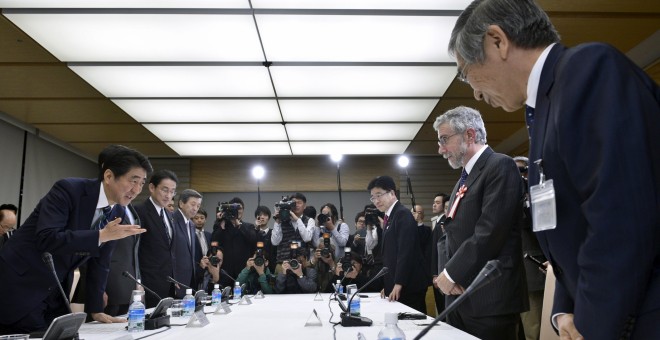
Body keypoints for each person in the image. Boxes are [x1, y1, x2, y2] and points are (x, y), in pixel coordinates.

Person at [449, 1, 660, 338]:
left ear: (497, 41)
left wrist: (591, 325)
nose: (474, 90)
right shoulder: (545, 105)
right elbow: (566, 228)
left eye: (466, 71)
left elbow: (620, 220)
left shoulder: (588, 70)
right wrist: (564, 309)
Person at [0, 145, 151, 334]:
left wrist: (95, 309)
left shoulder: (118, 210)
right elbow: (47, 238)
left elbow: (101, 260)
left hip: (56, 287)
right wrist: (100, 235)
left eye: (142, 183)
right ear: (109, 176)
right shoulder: (69, 189)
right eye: (133, 181)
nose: (137, 190)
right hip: (22, 280)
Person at [433, 106, 528, 340]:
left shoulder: (500, 166)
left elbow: (490, 231)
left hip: (490, 297)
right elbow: (449, 231)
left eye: (444, 139)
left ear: (469, 135)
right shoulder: (463, 179)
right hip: (459, 296)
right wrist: (445, 276)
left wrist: (452, 273)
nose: (440, 149)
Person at [368, 175, 427, 314]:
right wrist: (388, 285)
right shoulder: (390, 216)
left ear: (392, 193)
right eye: (372, 197)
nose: (376, 201)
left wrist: (399, 283)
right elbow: (390, 254)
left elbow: (405, 252)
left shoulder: (402, 214)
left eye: (379, 195)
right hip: (397, 284)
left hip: (408, 286)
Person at [134, 169, 179, 308]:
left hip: (168, 282)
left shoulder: (169, 215)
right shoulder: (139, 211)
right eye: (165, 190)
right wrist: (138, 281)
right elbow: (135, 250)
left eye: (172, 191)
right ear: (152, 187)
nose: (168, 195)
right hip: (148, 283)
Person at [514, 156, 546, 340]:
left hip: (533, 270)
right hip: (513, 276)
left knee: (536, 328)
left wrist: (526, 196)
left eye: (522, 171)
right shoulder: (505, 196)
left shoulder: (539, 194)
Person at [211, 197, 257, 284]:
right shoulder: (222, 225)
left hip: (244, 270)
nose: (238, 211)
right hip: (225, 271)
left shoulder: (248, 226)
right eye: (234, 209)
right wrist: (220, 222)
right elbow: (214, 241)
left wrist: (238, 224)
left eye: (240, 208)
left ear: (243, 210)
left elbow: (253, 240)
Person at [271, 193, 315, 272]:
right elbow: (275, 242)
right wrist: (277, 221)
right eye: (294, 203)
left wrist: (297, 219)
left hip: (301, 264)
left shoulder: (309, 221)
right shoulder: (282, 220)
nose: (296, 205)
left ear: (304, 206)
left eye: (299, 203)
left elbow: (307, 238)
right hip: (283, 263)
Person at [172, 189, 203, 297]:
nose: (195, 209)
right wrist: (172, 278)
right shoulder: (172, 221)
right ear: (181, 203)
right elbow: (170, 253)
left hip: (189, 280)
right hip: (175, 281)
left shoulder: (191, 224)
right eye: (193, 204)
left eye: (198, 206)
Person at [430, 193, 449, 315]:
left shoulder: (444, 222)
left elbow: (439, 251)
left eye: (438, 203)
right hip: (438, 271)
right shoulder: (437, 222)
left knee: (444, 309)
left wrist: (436, 274)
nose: (434, 205)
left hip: (444, 272)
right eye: (434, 202)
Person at [193, 209, 212, 291]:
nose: (199, 220)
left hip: (209, 270)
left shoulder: (209, 235)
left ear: (205, 219)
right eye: (196, 218)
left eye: (202, 218)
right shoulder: (190, 235)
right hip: (195, 271)